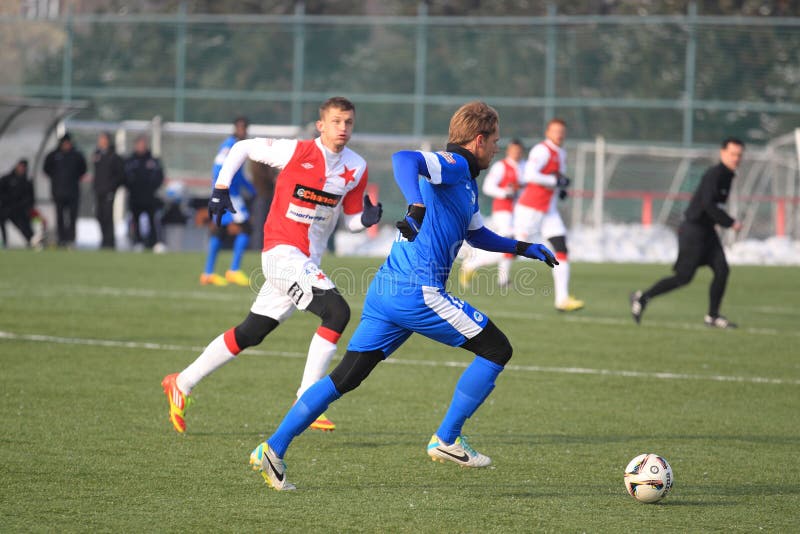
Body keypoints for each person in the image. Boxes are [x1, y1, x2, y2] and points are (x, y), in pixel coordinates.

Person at [248, 101, 558, 491]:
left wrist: (523, 247)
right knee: (497, 350)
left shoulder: (466, 184)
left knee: (345, 378)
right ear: (478, 140)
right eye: (494, 141)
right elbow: (403, 159)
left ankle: (273, 448)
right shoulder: (456, 163)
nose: (496, 148)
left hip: (387, 292)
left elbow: (477, 235)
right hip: (417, 292)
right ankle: (446, 439)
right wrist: (415, 203)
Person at [161, 96, 382, 435]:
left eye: (348, 122)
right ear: (321, 124)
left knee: (252, 331)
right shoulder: (297, 151)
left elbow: (352, 219)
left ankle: (182, 381)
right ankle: (307, 399)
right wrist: (220, 189)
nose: (343, 128)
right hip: (281, 253)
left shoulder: (356, 167)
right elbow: (243, 148)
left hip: (306, 260)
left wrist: (366, 219)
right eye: (336, 121)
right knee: (337, 312)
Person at [631, 138, 745, 329]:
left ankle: (712, 316)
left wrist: (719, 222)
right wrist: (730, 222)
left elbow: (714, 206)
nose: (736, 158)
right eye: (733, 154)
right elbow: (708, 204)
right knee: (683, 277)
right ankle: (642, 298)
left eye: (739, 155)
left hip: (708, 231)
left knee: (722, 270)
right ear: (722, 153)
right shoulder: (714, 174)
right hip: (694, 231)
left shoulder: (728, 175)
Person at [514, 118, 584, 312]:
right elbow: (529, 175)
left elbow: (556, 179)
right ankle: (473, 263)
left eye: (562, 131)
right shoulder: (542, 150)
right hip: (531, 209)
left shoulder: (561, 153)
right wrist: (555, 181)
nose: (559, 134)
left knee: (561, 248)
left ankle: (562, 299)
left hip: (548, 211)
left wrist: (560, 187)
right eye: (555, 131)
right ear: (548, 132)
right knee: (513, 249)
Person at [459, 139, 524, 289]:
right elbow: (488, 187)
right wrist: (505, 193)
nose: (516, 153)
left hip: (520, 212)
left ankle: (502, 278)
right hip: (503, 211)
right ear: (508, 151)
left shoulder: (524, 166)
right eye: (514, 150)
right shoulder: (501, 166)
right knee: (511, 244)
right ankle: (472, 264)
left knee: (514, 246)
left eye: (519, 151)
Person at [201, 116, 257, 286]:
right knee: (245, 227)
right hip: (229, 194)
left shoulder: (237, 145)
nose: (242, 130)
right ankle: (233, 270)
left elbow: (238, 175)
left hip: (228, 192)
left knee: (220, 231)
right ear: (235, 128)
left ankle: (208, 274)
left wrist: (251, 189)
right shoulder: (229, 145)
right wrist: (221, 190)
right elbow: (218, 168)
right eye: (239, 127)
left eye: (244, 127)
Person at [43, 133, 87, 247]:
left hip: (73, 192)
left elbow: (83, 170)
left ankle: (71, 239)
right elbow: (46, 169)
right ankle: (61, 239)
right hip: (58, 191)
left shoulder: (77, 155)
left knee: (72, 217)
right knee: (60, 217)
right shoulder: (53, 155)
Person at [124, 136, 164, 249]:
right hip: (135, 196)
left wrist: (152, 188)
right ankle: (137, 242)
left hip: (150, 196)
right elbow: (125, 177)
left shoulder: (153, 160)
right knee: (135, 220)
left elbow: (159, 176)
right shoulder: (130, 161)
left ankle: (154, 242)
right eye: (140, 144)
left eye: (143, 144)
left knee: (153, 220)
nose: (142, 146)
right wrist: (132, 187)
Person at [92, 132, 125, 249]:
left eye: (103, 139)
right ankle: (103, 239)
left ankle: (109, 241)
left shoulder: (114, 157)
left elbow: (120, 175)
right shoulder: (97, 154)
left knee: (107, 215)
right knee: (99, 215)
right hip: (98, 190)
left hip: (109, 191)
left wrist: (112, 187)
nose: (101, 141)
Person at [0, 159, 35, 247]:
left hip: (19, 209)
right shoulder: (6, 179)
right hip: (5, 208)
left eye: (23, 167)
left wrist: (26, 207)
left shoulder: (27, 182)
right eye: (20, 166)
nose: (21, 168)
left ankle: (32, 241)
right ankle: (4, 242)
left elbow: (30, 197)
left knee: (25, 226)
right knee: (2, 224)